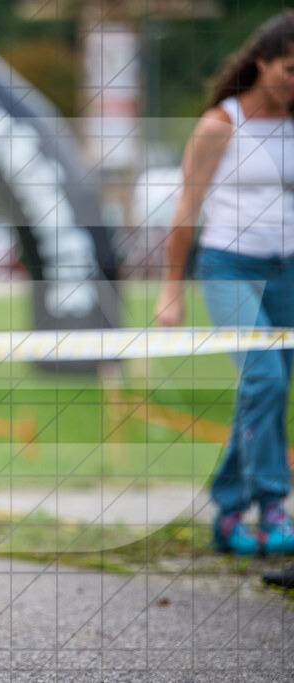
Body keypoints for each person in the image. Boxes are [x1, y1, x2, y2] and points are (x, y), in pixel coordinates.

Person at [155, 11, 294, 555]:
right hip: (229, 265)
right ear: (261, 61)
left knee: (266, 389)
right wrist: (172, 288)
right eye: (288, 68)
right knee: (265, 379)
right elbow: (186, 209)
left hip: (287, 267)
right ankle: (273, 504)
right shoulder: (221, 124)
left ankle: (229, 509)